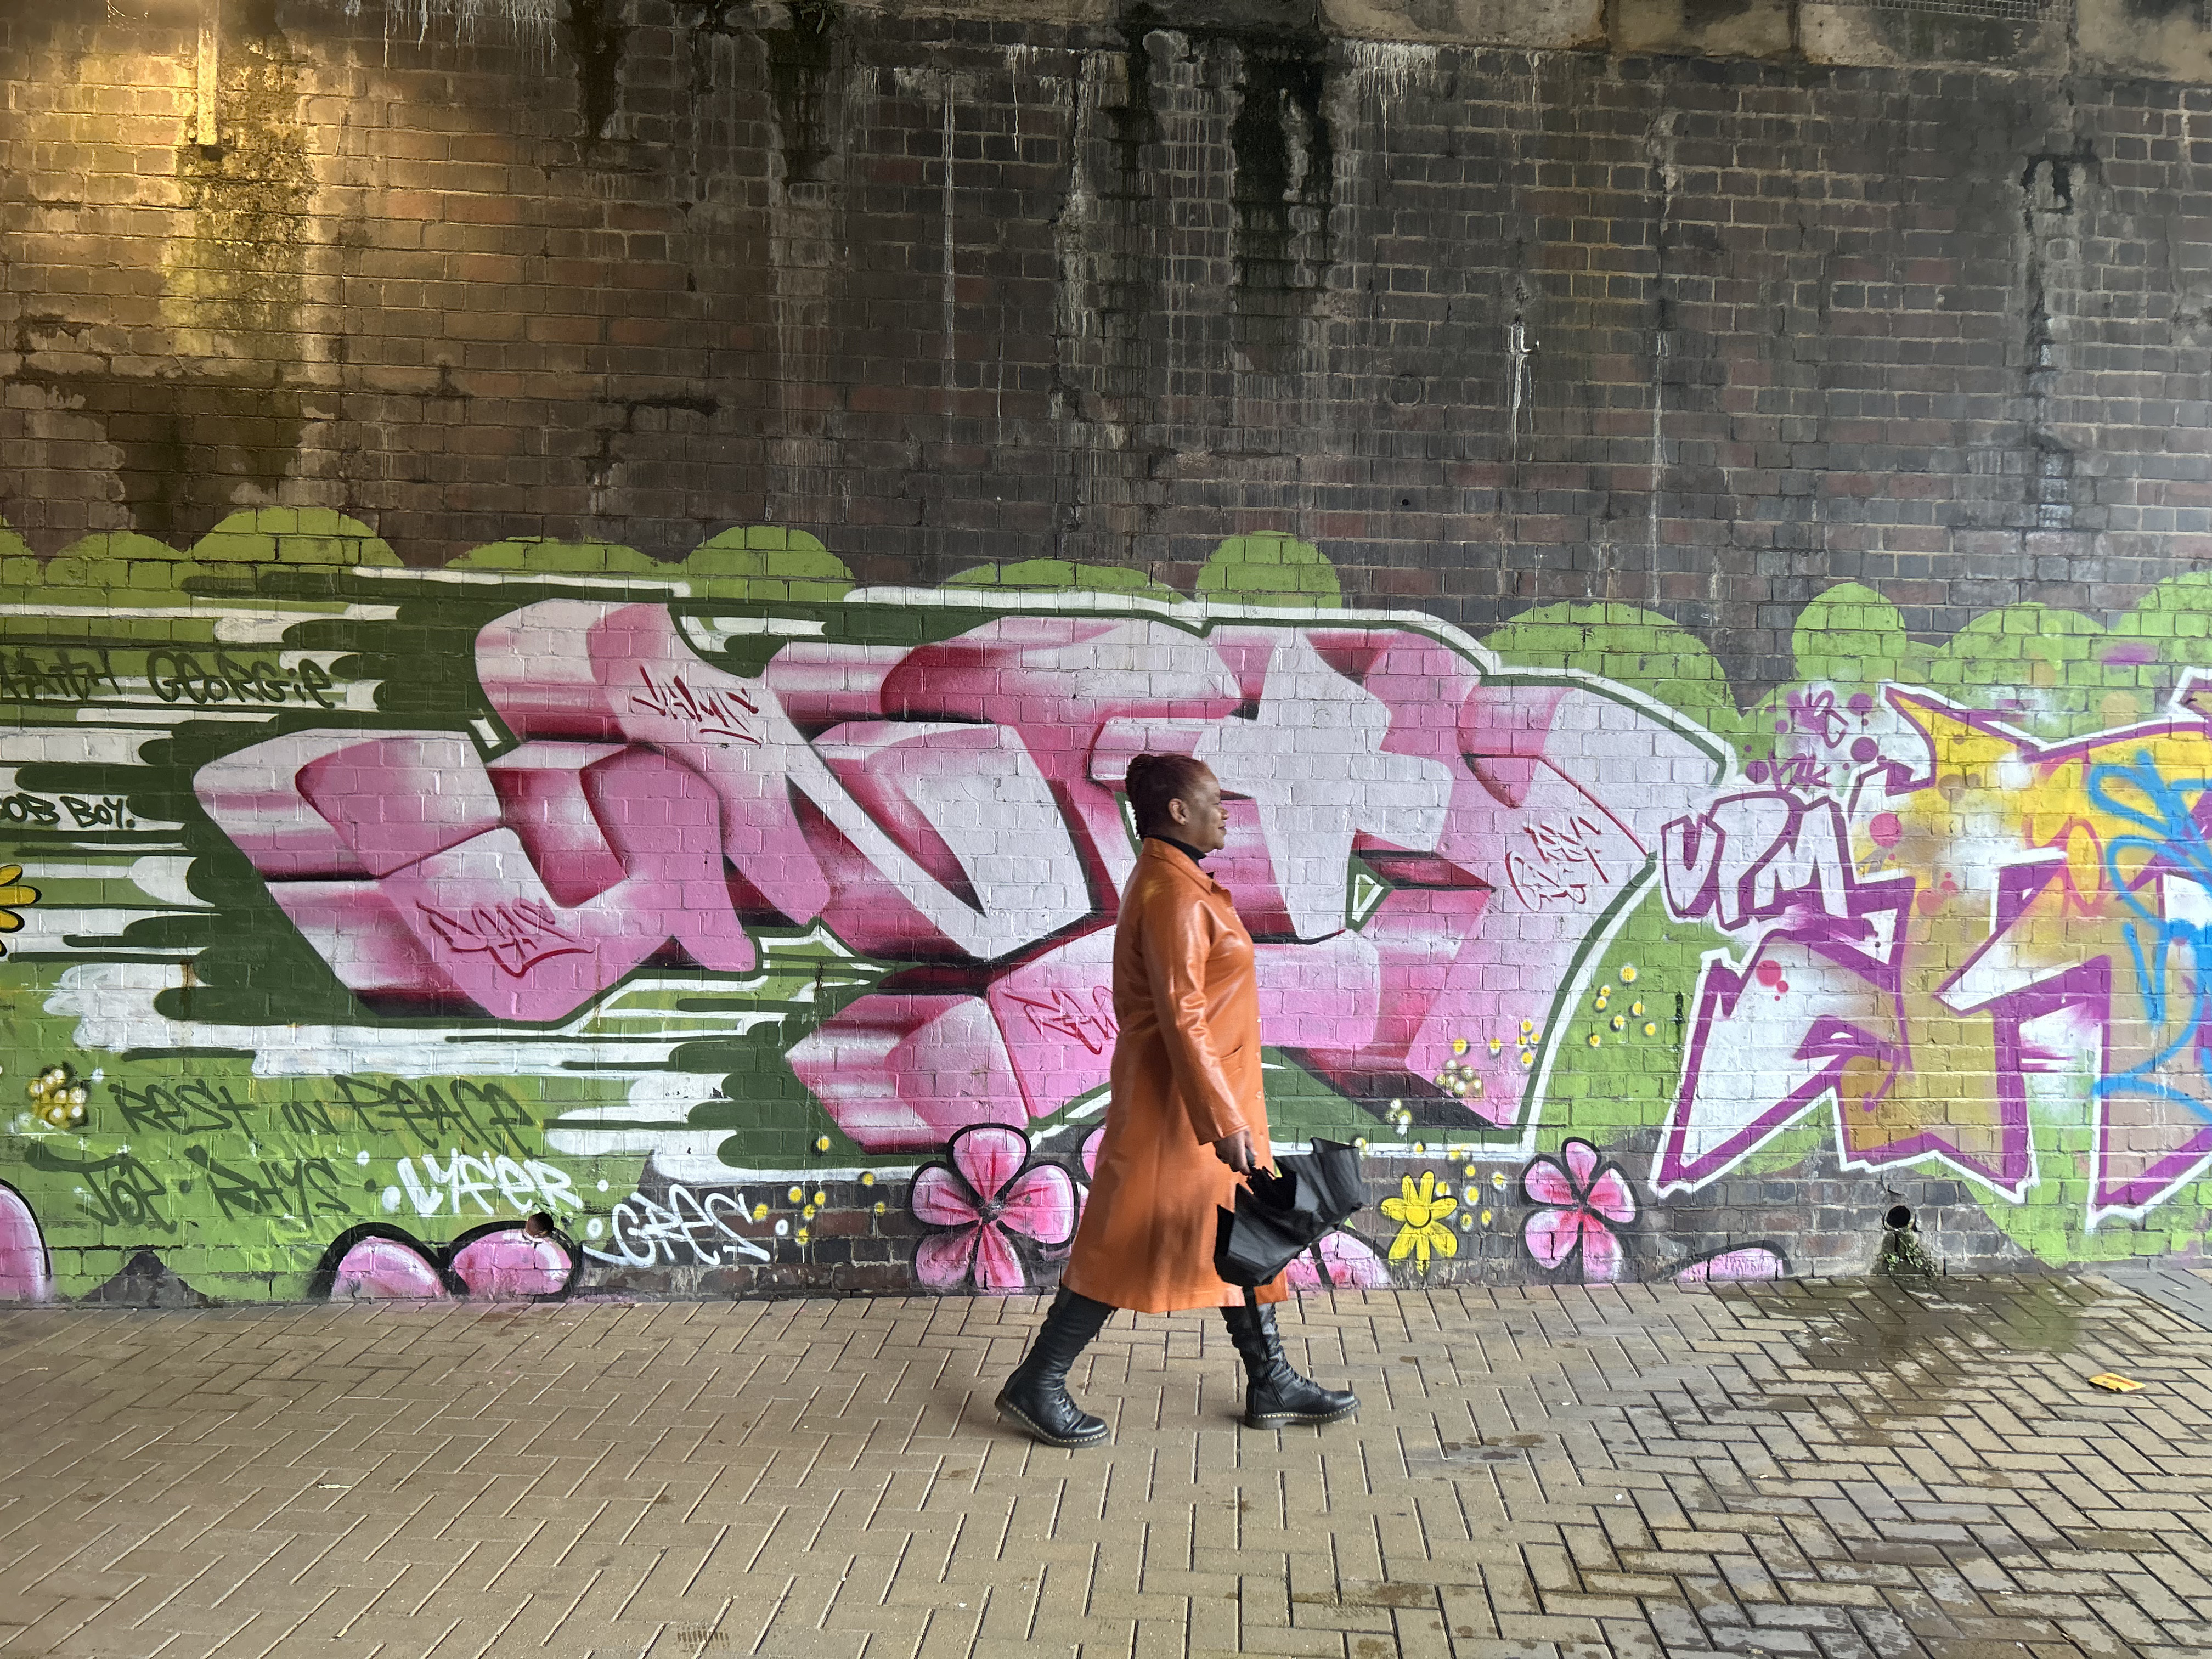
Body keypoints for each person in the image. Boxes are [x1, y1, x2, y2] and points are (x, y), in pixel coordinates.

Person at [995, 753, 1359, 1447]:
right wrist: (1222, 1121)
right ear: (1177, 811)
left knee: (1241, 1232)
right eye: (1215, 801)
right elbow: (1182, 1014)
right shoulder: (1174, 894)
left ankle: (1272, 1381)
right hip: (1182, 1114)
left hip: (1200, 1105)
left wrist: (1226, 1113)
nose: (1226, 814)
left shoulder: (1181, 883)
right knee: (1124, 1239)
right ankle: (1038, 1381)